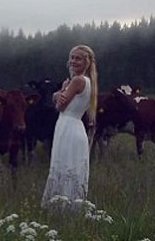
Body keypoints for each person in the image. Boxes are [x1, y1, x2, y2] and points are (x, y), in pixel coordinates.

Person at [41, 44, 98, 211]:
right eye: (72, 57)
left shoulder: (78, 80)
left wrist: (61, 90)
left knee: (63, 165)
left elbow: (60, 106)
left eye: (78, 58)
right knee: (71, 167)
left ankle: (61, 207)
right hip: (75, 126)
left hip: (68, 125)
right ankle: (71, 205)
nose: (73, 61)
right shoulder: (89, 82)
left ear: (87, 62)